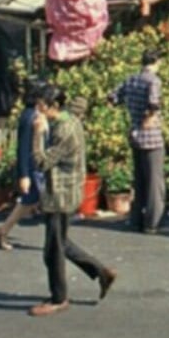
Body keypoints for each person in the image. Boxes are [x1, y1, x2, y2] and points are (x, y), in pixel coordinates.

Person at [30, 86, 117, 316]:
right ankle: (101, 272)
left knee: (53, 249)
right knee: (60, 241)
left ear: (54, 107)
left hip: (61, 193)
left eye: (42, 106)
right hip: (64, 190)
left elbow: (42, 162)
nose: (38, 110)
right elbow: (80, 103)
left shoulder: (64, 129)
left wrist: (38, 134)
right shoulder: (69, 118)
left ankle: (59, 298)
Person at [109, 48, 166, 235]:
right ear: (157, 61)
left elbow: (112, 97)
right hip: (151, 137)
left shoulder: (131, 79)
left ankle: (136, 219)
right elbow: (153, 103)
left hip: (134, 134)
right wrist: (149, 118)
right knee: (154, 182)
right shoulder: (154, 81)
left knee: (139, 180)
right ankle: (152, 222)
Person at [0, 81, 45, 251]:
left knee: (28, 203)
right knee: (29, 202)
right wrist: (24, 174)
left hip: (36, 166)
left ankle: (3, 230)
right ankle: (3, 230)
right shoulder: (30, 116)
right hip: (32, 168)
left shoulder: (34, 114)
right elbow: (22, 147)